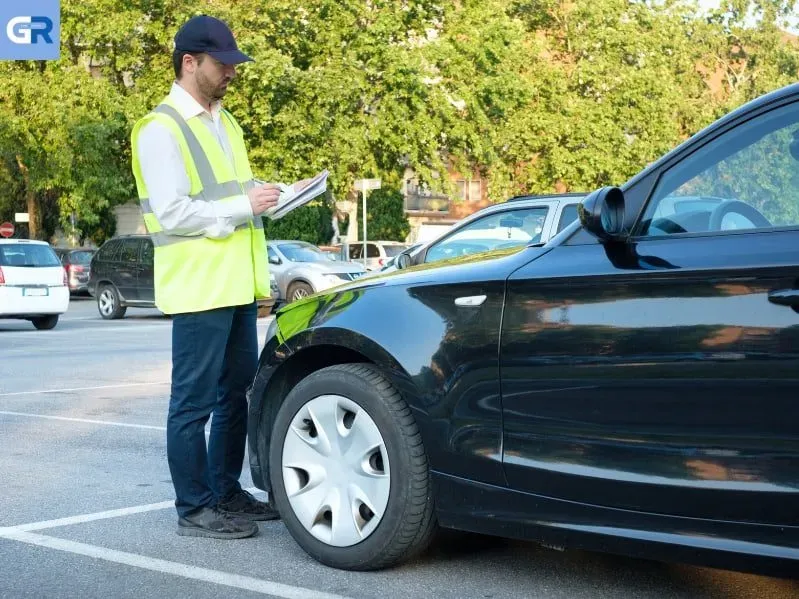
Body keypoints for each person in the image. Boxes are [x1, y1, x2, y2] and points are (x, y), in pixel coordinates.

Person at [130, 15, 302, 539]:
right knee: (193, 402)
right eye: (222, 64)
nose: (231, 72)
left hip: (235, 286)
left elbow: (236, 195)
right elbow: (174, 212)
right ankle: (194, 509)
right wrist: (241, 205)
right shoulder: (160, 129)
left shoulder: (226, 123)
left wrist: (272, 198)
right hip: (198, 285)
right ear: (190, 62)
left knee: (237, 395)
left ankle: (226, 493)